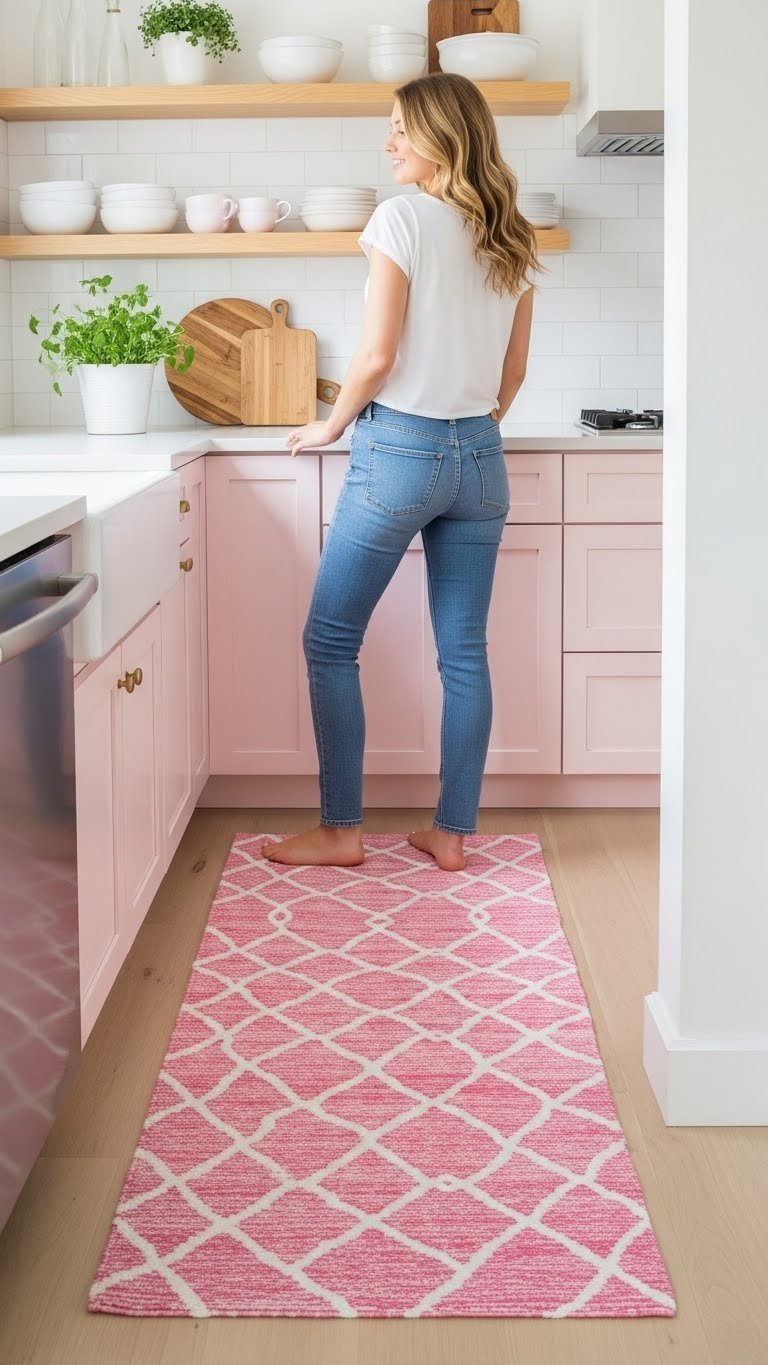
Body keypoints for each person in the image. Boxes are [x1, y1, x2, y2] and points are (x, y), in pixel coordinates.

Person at [261, 71, 538, 872]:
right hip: (480, 460)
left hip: (400, 453)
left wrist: (331, 423)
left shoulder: (402, 218)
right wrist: (470, 431)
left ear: (443, 136)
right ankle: (450, 835)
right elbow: (512, 376)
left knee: (329, 640)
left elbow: (377, 356)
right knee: (464, 654)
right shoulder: (510, 234)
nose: (388, 142)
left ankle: (342, 831)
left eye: (400, 129)